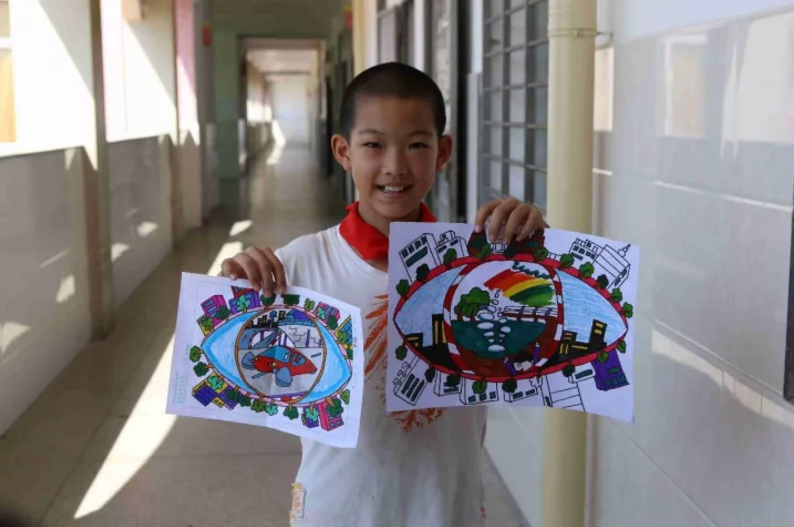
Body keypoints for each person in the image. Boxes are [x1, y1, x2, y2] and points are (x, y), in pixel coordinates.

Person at [221, 62, 547, 527]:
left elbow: (542, 336)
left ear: (442, 152)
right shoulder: (295, 269)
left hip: (448, 511)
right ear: (343, 151)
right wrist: (236, 286)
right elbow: (236, 366)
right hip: (336, 513)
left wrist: (538, 256)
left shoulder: (483, 269)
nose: (395, 166)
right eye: (374, 145)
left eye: (416, 145)